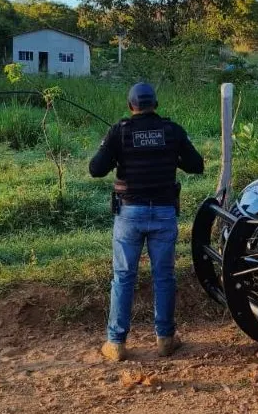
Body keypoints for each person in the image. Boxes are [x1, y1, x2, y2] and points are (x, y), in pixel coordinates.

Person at [89, 82, 204, 361]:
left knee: (124, 276)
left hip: (129, 214)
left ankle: (116, 344)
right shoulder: (172, 131)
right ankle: (165, 339)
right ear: (156, 104)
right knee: (163, 276)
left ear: (131, 106)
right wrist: (170, 155)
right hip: (164, 213)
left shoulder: (120, 131)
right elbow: (196, 165)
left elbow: (96, 169)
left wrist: (113, 147)